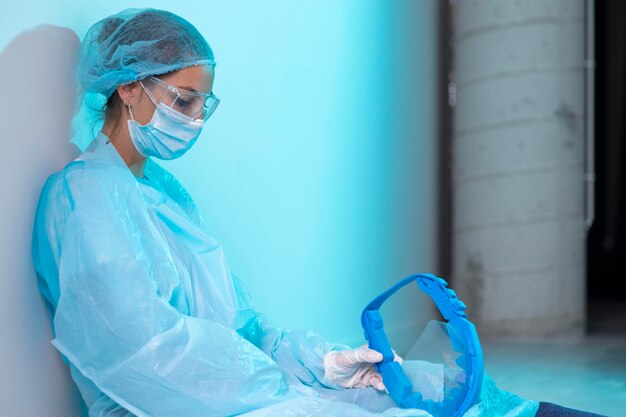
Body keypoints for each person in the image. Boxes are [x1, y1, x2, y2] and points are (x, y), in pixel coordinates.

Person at [30, 7, 604, 417]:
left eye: (206, 104)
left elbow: (242, 326)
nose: (197, 121)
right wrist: (284, 390)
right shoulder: (83, 200)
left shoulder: (164, 193)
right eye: (184, 101)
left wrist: (321, 364)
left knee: (417, 384)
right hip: (168, 403)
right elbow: (144, 355)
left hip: (237, 388)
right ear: (128, 89)